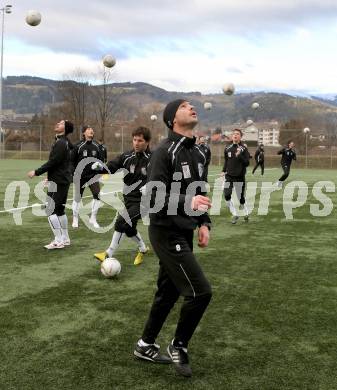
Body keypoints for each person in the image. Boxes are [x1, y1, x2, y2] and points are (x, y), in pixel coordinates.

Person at [134, 99, 212, 378]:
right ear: (172, 120)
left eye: (192, 105)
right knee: (200, 292)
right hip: (165, 231)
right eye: (184, 106)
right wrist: (188, 201)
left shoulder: (202, 153)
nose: (191, 108)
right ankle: (179, 345)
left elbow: (200, 189)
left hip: (184, 229)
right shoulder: (163, 152)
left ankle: (145, 345)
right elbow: (154, 196)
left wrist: (204, 223)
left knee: (168, 292)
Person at [93, 126, 152, 266]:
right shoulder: (126, 157)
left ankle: (108, 253)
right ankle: (143, 248)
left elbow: (162, 177)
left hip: (145, 201)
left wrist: (151, 186)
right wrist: (100, 167)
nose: (136, 143)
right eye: (134, 140)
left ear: (147, 142)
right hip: (129, 199)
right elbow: (112, 166)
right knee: (129, 228)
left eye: (140, 140)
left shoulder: (153, 159)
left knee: (121, 221)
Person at [27, 120, 74, 249]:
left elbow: (53, 162)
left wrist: (36, 172)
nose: (57, 123)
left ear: (65, 129)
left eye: (61, 123)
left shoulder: (61, 143)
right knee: (60, 211)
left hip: (59, 181)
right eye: (57, 122)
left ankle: (58, 241)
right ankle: (65, 239)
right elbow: (61, 162)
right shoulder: (63, 142)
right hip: (61, 180)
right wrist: (50, 176)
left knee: (50, 210)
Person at [71, 125, 104, 229]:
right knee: (77, 198)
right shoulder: (78, 146)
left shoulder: (97, 146)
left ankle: (93, 219)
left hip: (93, 176)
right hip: (80, 176)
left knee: (97, 196)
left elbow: (101, 162)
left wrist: (98, 167)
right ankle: (75, 219)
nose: (91, 131)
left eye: (92, 130)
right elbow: (71, 162)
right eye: (89, 130)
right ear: (83, 133)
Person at [221, 128, 250, 224]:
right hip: (229, 176)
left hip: (239, 176)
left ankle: (246, 213)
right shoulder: (227, 148)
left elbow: (247, 163)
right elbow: (226, 161)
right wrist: (223, 170)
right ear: (232, 136)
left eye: (237, 134)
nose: (235, 135)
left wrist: (239, 155)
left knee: (240, 197)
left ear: (240, 137)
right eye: (234, 134)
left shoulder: (244, 149)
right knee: (226, 194)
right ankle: (234, 214)